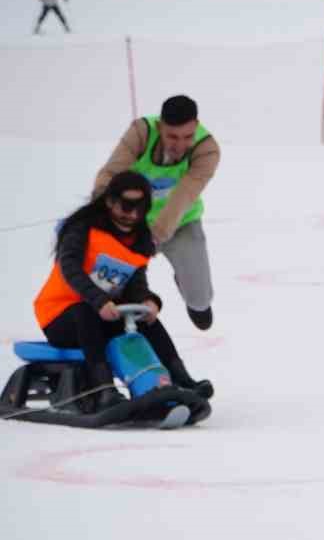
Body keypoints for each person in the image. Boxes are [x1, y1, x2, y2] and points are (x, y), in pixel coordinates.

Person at [32, 171, 210, 411]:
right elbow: (70, 269)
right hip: (61, 315)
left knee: (147, 321)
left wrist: (148, 301)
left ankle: (180, 379)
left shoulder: (140, 240)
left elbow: (135, 283)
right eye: (126, 206)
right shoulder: (84, 229)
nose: (132, 214)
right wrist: (98, 301)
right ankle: (103, 389)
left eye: (140, 207)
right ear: (110, 202)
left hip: (105, 314)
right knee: (84, 312)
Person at [93, 94, 221, 331]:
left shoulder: (207, 150)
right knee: (105, 289)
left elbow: (182, 197)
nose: (180, 145)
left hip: (181, 222)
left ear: (196, 127)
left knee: (200, 301)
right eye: (172, 136)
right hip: (131, 222)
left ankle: (186, 281)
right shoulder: (141, 133)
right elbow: (109, 176)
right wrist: (99, 213)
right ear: (160, 127)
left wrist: (155, 235)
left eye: (187, 136)